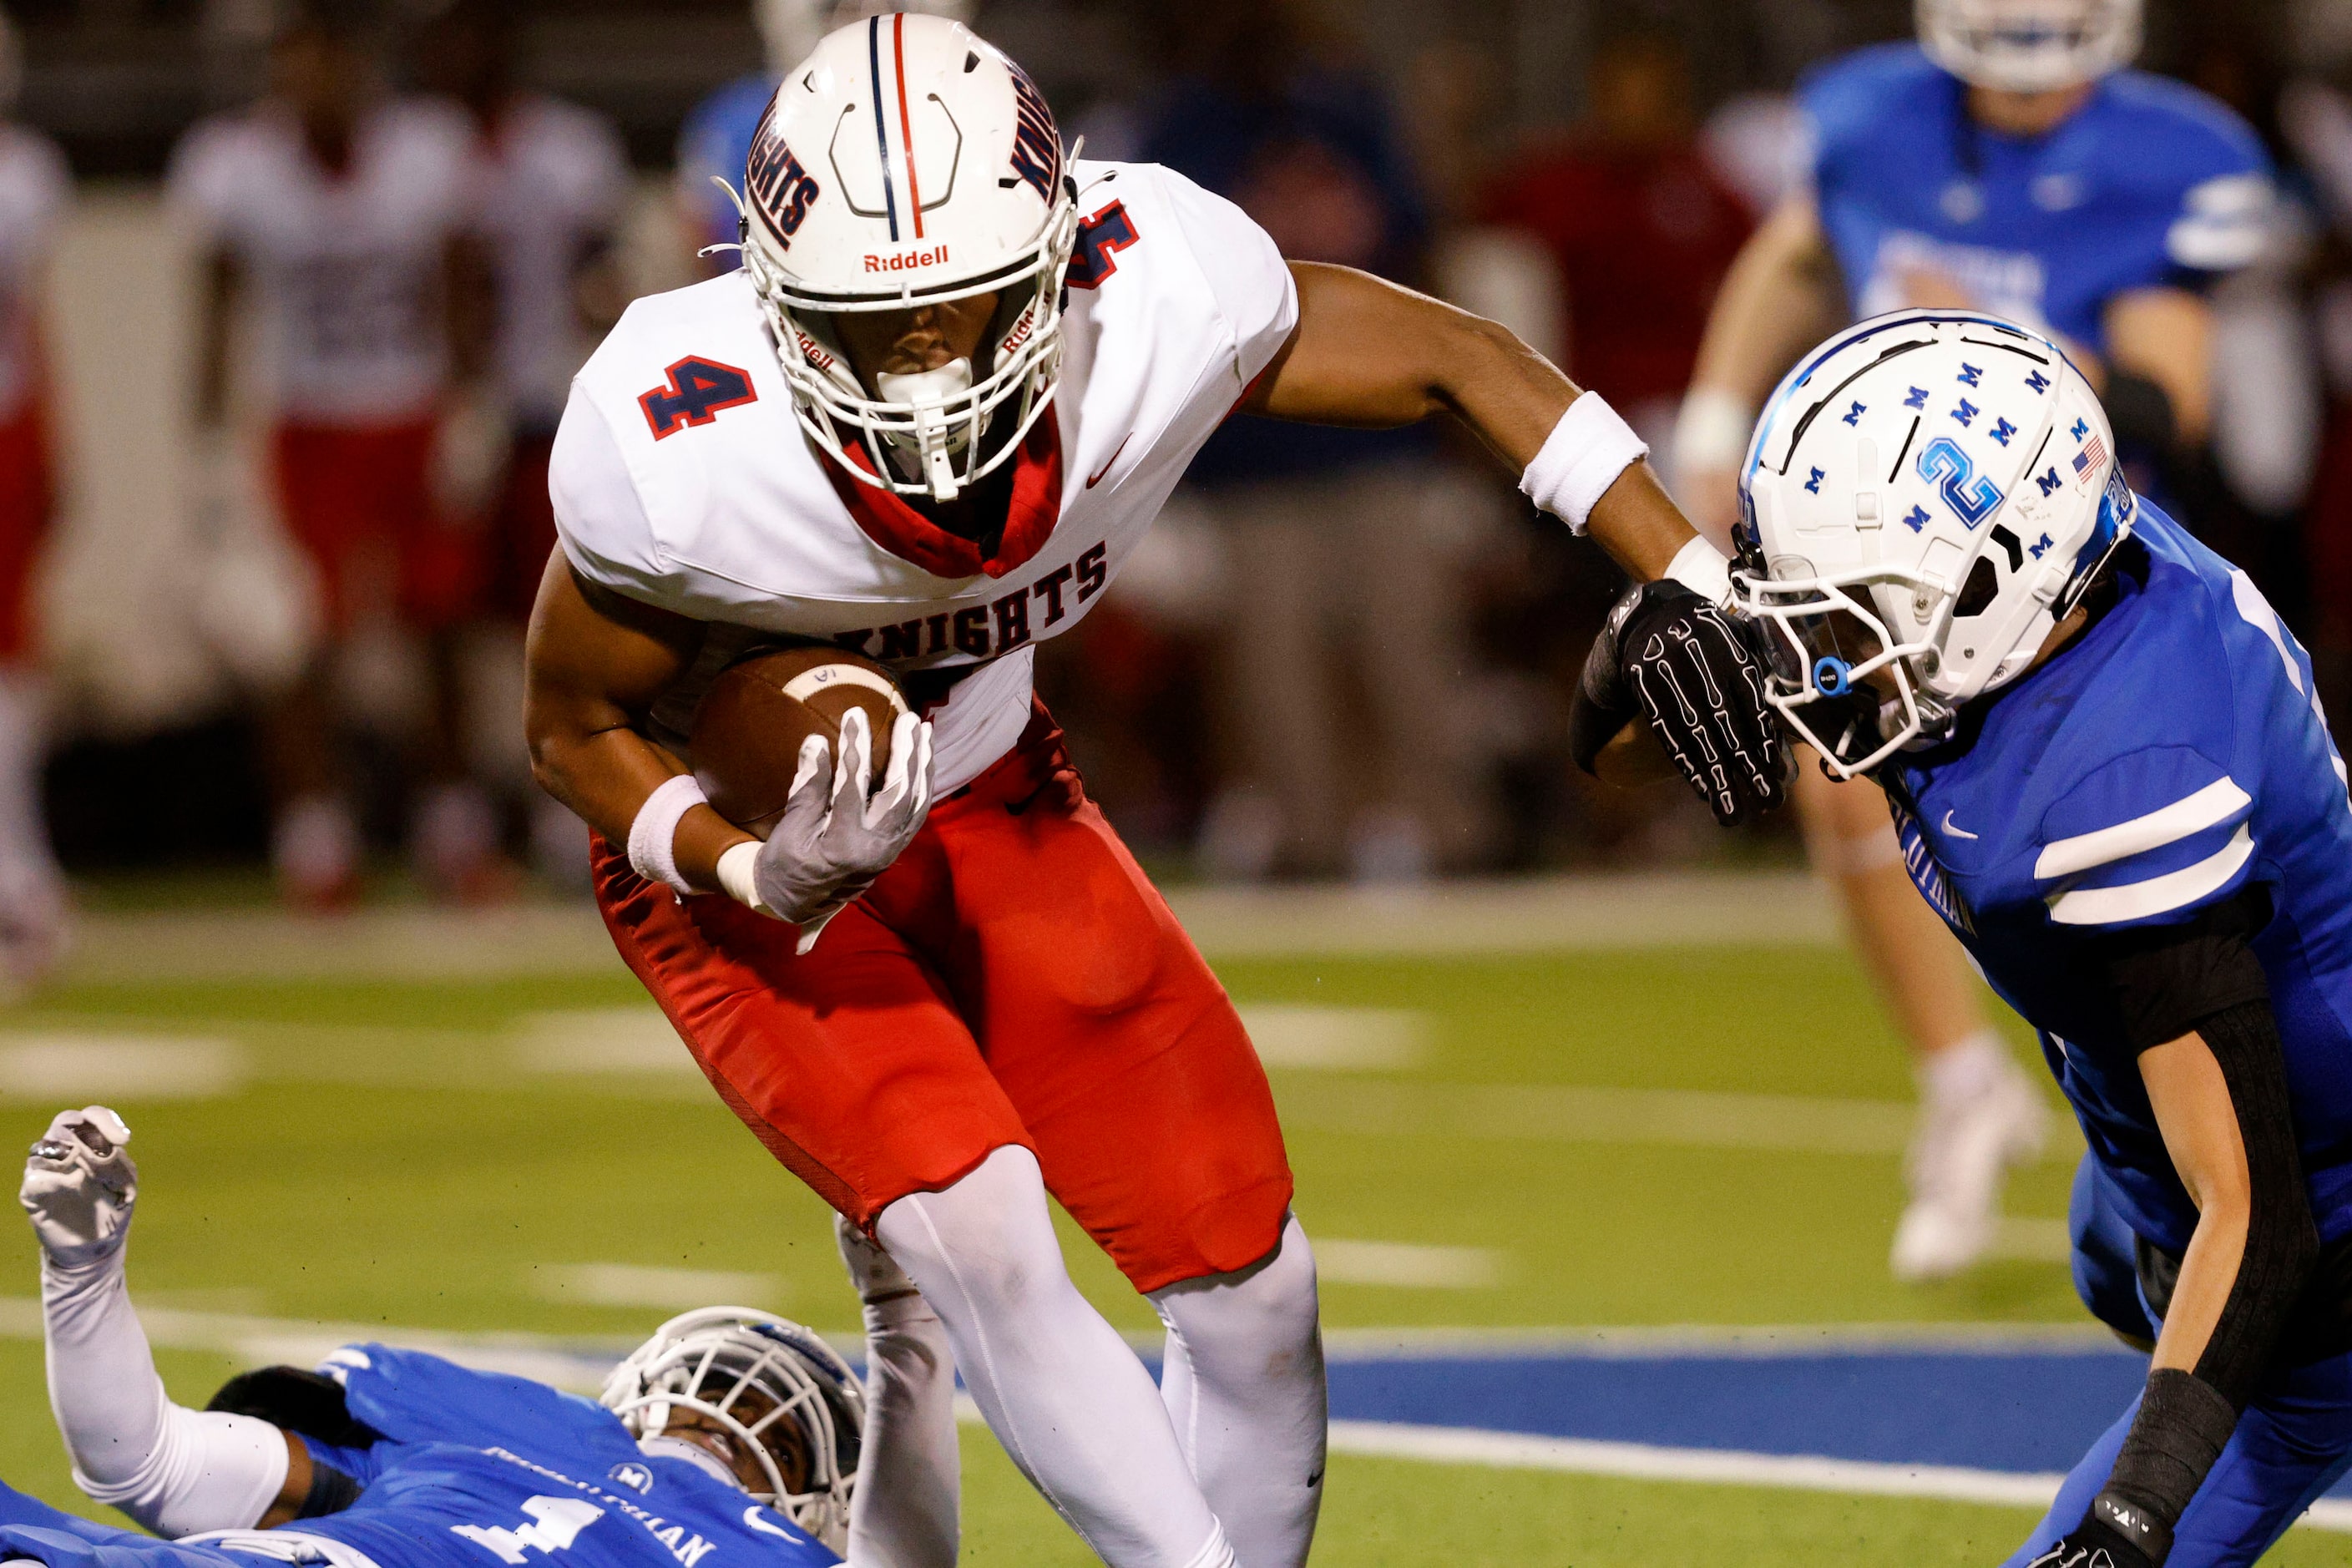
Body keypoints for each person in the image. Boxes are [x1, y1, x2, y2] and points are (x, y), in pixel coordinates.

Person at [523, 16, 1780, 1568]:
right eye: (873, 331)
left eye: (968, 314)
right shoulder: (682, 448)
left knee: (1257, 1293)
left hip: (997, 792)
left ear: (1062, 262)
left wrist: (1697, 580)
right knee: (979, 1221)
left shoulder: (1163, 291)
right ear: (773, 307)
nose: (926, 371)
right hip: (747, 862)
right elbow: (570, 723)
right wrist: (739, 862)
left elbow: (1456, 360)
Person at [1725, 308, 2352, 1566]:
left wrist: (2132, 1518)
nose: (1816, 648)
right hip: (2151, 1166)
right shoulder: (2055, 582)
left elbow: (2257, 1218)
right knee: (2108, 1253)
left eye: (1850, 613)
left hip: (2318, 1240)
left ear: (1993, 579)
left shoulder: (2127, 774)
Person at [1672, 0, 2274, 1282]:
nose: (2029, 94)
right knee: (1834, 765)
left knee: (2096, 869)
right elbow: (1791, 254)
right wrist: (1717, 418)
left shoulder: (2174, 155)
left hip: (2073, 573)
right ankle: (1959, 1083)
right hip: (1886, 547)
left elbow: (2180, 397)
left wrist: (2041, 360)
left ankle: (2170, 1162)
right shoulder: (1868, 114)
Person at [1, 1103, 967, 1568]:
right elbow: (147, 1468)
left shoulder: (780, 1556)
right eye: (714, 1387)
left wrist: (904, 1317)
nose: (724, 1423)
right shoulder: (502, 1424)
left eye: (777, 1433)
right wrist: (82, 1275)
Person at [1136, 0, 1480, 882]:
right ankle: (1307, 844)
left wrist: (1448, 411)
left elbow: (1415, 243)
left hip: (1373, 430)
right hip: (1252, 440)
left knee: (1407, 644)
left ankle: (1453, 836)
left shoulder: (1346, 107)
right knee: (1274, 666)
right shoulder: (1179, 129)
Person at [168, 0, 499, 910]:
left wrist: (473, 407)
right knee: (298, 642)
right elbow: (216, 319)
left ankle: (453, 829)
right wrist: (208, 462)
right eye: (297, 61)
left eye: (329, 58)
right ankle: (315, 842)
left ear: (360, 63)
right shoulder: (235, 167)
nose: (314, 80)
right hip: (305, 425)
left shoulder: (426, 152)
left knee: (438, 628)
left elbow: (463, 289)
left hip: (412, 410)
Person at [418, 0, 632, 886]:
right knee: (439, 622)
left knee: (561, 620)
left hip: (555, 410)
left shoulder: (569, 151)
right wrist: (456, 399)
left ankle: (564, 814)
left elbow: (598, 278)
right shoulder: (417, 152)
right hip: (440, 414)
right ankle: (457, 814)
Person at [1479, 28, 1755, 478]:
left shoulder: (1705, 184)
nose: (1638, 107)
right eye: (1625, 92)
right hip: (1590, 409)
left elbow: (1756, 279)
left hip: (1693, 402)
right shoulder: (1554, 188)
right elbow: (1469, 243)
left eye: (1653, 92)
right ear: (1599, 97)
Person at [675, 0, 974, 271]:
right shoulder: (742, 117)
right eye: (836, 6)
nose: (865, 15)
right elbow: (700, 231)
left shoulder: (975, 94)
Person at [0, 5, 69, 990]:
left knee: (11, 662)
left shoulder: (20, 178)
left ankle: (19, 875)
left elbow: (30, 324)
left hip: (4, 422)